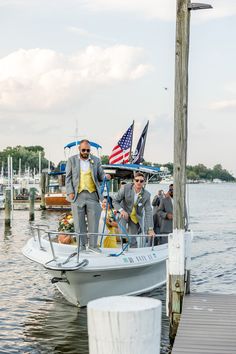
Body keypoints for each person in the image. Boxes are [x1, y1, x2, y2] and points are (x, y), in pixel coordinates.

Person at [65, 139, 110, 250]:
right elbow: (68, 178)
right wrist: (70, 191)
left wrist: (105, 176)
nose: (85, 152)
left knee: (94, 222)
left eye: (88, 150)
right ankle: (81, 245)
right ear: (79, 149)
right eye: (83, 150)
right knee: (79, 223)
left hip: (93, 195)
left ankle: (94, 246)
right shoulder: (71, 160)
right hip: (77, 195)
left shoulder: (96, 160)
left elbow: (101, 175)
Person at [113, 171, 155, 247]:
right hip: (124, 213)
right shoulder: (126, 188)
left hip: (135, 217)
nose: (139, 182)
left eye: (141, 181)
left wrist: (150, 229)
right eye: (137, 180)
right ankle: (123, 248)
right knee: (123, 234)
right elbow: (115, 201)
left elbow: (148, 212)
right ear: (133, 181)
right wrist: (121, 210)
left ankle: (134, 251)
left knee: (133, 239)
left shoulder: (147, 195)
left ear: (144, 182)